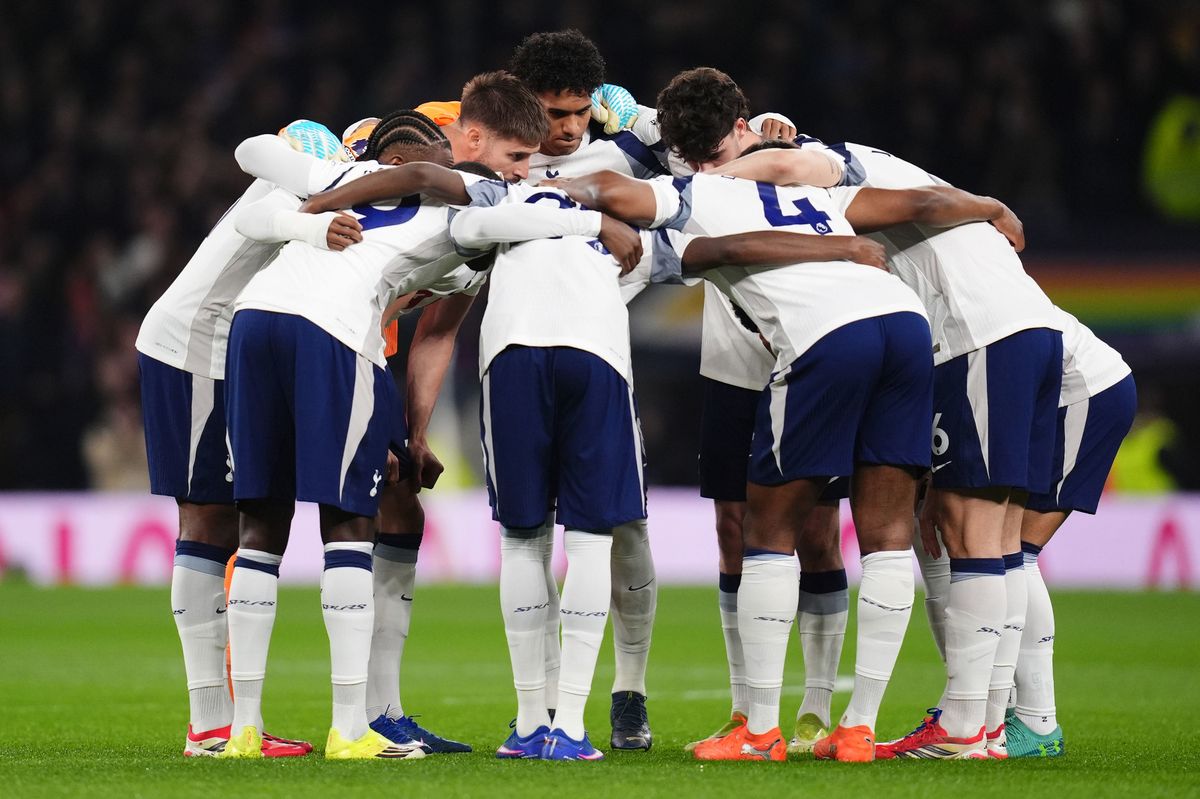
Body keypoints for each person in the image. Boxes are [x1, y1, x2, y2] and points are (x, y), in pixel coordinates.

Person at [545, 162, 1024, 762]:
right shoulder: (815, 193)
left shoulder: (693, 190)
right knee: (888, 536)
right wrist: (989, 203)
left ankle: (760, 730)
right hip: (905, 325)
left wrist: (536, 189)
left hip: (827, 335)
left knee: (767, 531)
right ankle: (859, 730)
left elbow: (608, 191)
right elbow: (924, 203)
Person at [221, 111, 610, 759]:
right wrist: (600, 222)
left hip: (255, 320)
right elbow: (463, 209)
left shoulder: (343, 171)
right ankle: (350, 728)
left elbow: (249, 152)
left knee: (260, 523)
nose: (515, 169)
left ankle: (243, 729)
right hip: (335, 333)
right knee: (348, 523)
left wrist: (306, 219)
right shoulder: (472, 195)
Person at [135, 119, 360, 759]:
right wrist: (317, 222)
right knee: (206, 520)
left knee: (217, 523)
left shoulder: (321, 171)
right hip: (195, 347)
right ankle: (209, 723)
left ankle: (223, 720)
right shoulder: (313, 172)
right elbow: (254, 221)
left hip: (211, 348)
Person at [916, 306, 1135, 758]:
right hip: (1052, 389)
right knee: (992, 545)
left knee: (1010, 550)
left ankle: (1033, 719)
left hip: (1079, 393)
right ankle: (984, 710)